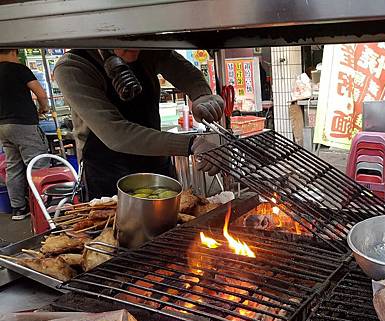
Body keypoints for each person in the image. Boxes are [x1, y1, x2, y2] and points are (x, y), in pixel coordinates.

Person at [54, 49, 224, 199]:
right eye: (125, 42)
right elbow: (117, 134)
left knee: (172, 226)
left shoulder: (145, 50)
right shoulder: (73, 67)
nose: (135, 48)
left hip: (156, 165)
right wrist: (191, 144)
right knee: (116, 231)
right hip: (108, 173)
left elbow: (180, 69)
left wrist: (201, 95)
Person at [0, 49, 50, 220]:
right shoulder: (19, 69)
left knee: (13, 167)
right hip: (23, 123)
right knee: (37, 163)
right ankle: (42, 206)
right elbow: (41, 94)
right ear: (14, 51)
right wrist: (43, 108)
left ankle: (18, 209)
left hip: (3, 126)